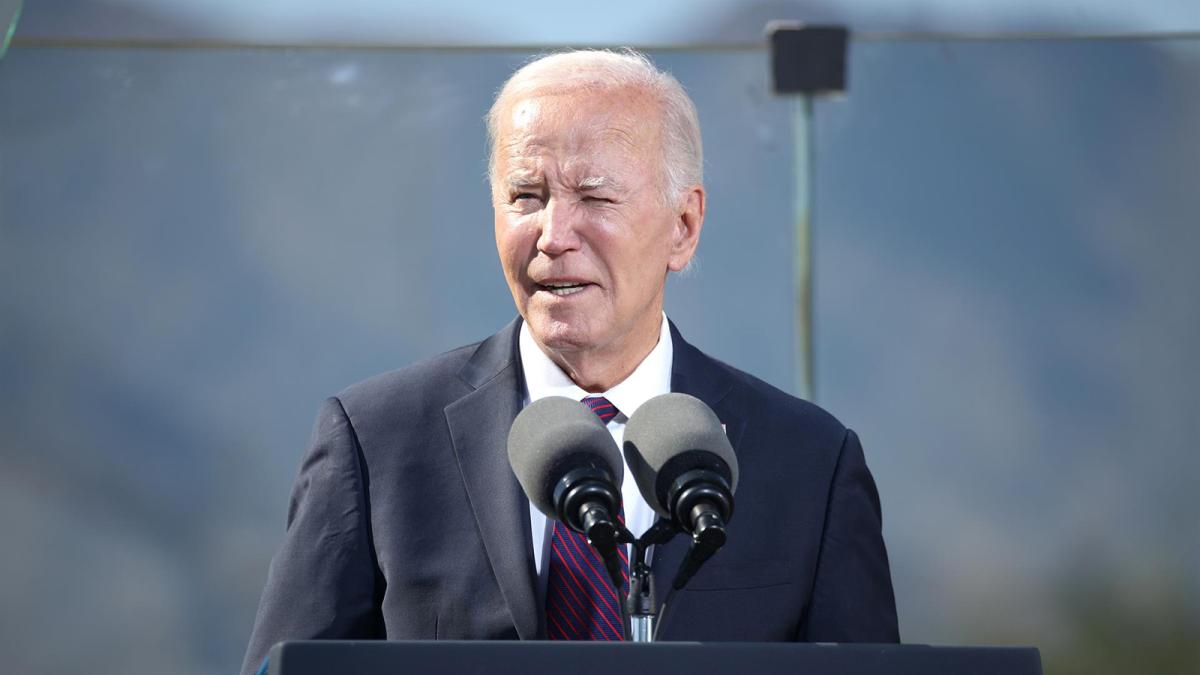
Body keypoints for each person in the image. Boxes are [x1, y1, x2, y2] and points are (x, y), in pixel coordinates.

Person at [242, 48, 898, 675]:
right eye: (526, 195)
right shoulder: (374, 442)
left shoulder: (810, 464)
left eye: (594, 197)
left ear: (683, 225)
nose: (554, 236)